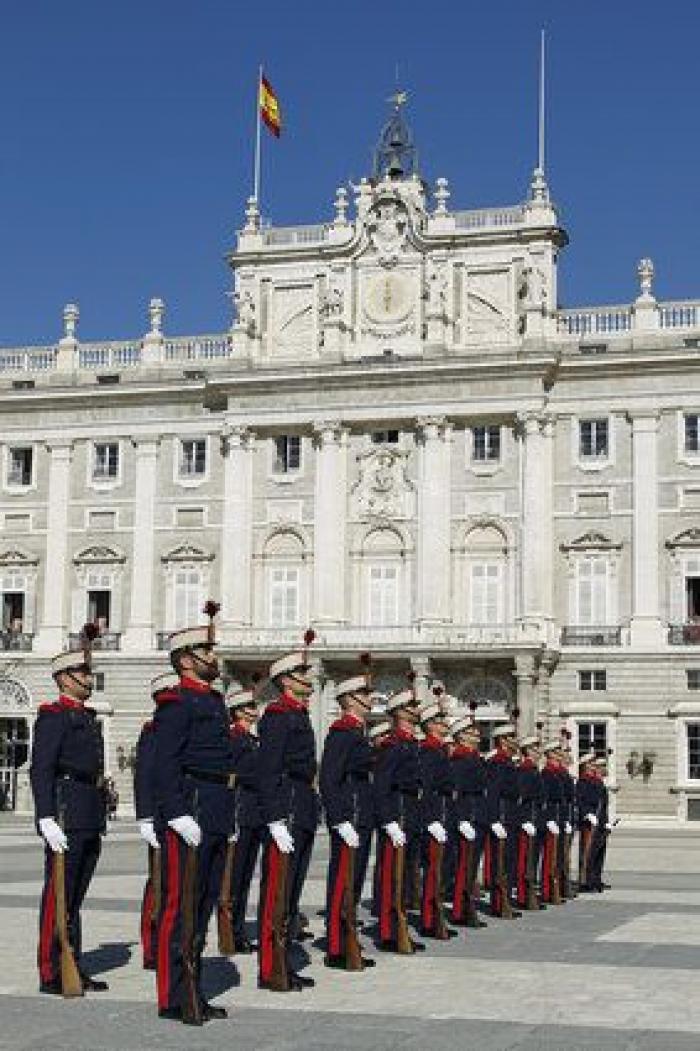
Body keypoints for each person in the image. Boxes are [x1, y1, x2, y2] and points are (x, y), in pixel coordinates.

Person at [153, 601, 234, 1025]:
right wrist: (176, 813)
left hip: (215, 807)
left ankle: (194, 989)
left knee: (203, 903)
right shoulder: (176, 703)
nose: (213, 657)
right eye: (206, 651)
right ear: (186, 659)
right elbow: (164, 763)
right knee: (179, 904)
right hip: (192, 806)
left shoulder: (215, 701)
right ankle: (173, 995)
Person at [30, 624, 108, 995]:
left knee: (74, 897)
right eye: (82, 673)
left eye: (89, 673)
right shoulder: (54, 716)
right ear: (64, 678)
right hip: (65, 813)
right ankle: (51, 969)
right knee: (58, 895)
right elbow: (41, 768)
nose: (88, 679)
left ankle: (71, 960)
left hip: (88, 811)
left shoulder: (86, 717)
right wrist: (45, 816)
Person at [256, 632, 318, 992]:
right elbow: (269, 770)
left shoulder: (298, 714)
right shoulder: (278, 716)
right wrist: (275, 818)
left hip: (302, 806)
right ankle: (270, 967)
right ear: (286, 681)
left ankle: (284, 960)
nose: (307, 679)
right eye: (301, 674)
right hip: (287, 806)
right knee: (277, 893)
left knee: (291, 893)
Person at [319, 662, 376, 969]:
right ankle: (336, 945)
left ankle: (347, 937)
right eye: (364, 694)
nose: (369, 699)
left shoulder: (357, 732)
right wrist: (340, 819)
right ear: (350, 699)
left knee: (353, 882)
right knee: (343, 881)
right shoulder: (341, 734)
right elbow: (329, 779)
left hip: (360, 814)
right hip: (349, 816)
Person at [373, 680, 425, 954]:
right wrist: (389, 821)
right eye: (411, 706)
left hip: (411, 815)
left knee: (405, 877)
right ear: (400, 712)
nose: (416, 710)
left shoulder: (411, 745)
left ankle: (399, 926)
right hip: (398, 815)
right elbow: (382, 786)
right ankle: (388, 931)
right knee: (391, 877)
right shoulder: (392, 746)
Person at [135, 671, 179, 971]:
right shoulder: (153, 730)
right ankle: (151, 946)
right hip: (160, 817)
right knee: (158, 883)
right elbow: (145, 774)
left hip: (180, 814)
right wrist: (145, 816)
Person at [226, 685, 265, 953]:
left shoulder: (252, 740)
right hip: (239, 811)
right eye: (250, 707)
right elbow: (231, 778)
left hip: (254, 814)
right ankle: (231, 930)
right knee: (235, 877)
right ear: (238, 711)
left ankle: (237, 928)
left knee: (246, 876)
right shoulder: (233, 739)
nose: (255, 710)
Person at [417, 701, 455, 940]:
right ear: (431, 725)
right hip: (435, 817)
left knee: (442, 870)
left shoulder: (439, 750)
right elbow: (427, 789)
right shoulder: (429, 752)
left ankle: (435, 916)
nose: (446, 724)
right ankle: (429, 921)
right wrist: (431, 820)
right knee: (433, 872)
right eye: (441, 721)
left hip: (443, 815)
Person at [450, 716, 488, 929]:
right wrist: (462, 819)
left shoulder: (474, 759)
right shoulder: (460, 760)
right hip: (468, 817)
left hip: (478, 816)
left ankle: (466, 907)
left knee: (471, 868)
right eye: (472, 733)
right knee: (464, 867)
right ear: (461, 736)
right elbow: (457, 793)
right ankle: (460, 910)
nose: (477, 736)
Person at [485, 724, 521, 918]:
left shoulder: (507, 762)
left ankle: (505, 900)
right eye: (512, 737)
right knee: (501, 863)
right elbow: (493, 793)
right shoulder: (498, 763)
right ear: (503, 740)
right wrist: (494, 819)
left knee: (509, 861)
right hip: (502, 816)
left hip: (510, 817)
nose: (515, 741)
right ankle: (499, 903)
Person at [515, 736, 544, 910]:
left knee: (532, 860)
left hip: (536, 819)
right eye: (535, 749)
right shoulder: (525, 771)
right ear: (528, 751)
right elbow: (521, 798)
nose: (539, 752)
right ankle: (523, 895)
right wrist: (524, 820)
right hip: (528, 819)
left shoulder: (533, 770)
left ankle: (528, 893)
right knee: (525, 860)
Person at [540, 740, 564, 905]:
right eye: (556, 752)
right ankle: (547, 891)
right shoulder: (547, 774)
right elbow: (545, 800)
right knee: (549, 858)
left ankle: (554, 889)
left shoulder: (557, 774)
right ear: (549, 755)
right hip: (550, 819)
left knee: (557, 857)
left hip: (558, 818)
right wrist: (548, 819)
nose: (560, 755)